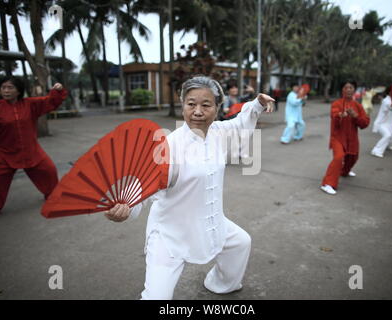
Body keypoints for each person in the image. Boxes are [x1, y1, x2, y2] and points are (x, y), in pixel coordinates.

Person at [104, 76, 275, 300]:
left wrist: (258, 103)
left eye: (206, 105)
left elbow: (239, 123)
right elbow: (141, 187)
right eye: (191, 104)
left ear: (216, 108)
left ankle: (220, 283)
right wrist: (125, 208)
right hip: (171, 233)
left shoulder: (218, 132)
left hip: (212, 221)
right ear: (182, 105)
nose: (197, 111)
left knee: (240, 243)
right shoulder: (168, 147)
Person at [0, 76, 67, 218]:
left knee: (49, 170)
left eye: (10, 87)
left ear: (18, 91)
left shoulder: (30, 104)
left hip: (30, 150)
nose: (6, 91)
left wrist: (57, 91)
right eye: (3, 88)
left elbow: (50, 101)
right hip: (3, 153)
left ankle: (53, 197)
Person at [320, 80, 370, 195]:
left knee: (353, 157)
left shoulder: (358, 106)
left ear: (354, 90)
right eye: (346, 87)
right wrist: (340, 115)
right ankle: (327, 183)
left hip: (352, 138)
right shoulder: (337, 103)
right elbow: (334, 114)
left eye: (351, 87)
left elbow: (365, 123)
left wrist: (355, 116)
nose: (348, 90)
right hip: (338, 137)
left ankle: (344, 171)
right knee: (339, 157)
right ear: (342, 90)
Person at [370, 85, 392, 158]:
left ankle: (387, 145)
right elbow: (390, 106)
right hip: (381, 124)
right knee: (387, 135)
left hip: (388, 124)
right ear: (389, 92)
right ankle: (376, 150)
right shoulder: (386, 101)